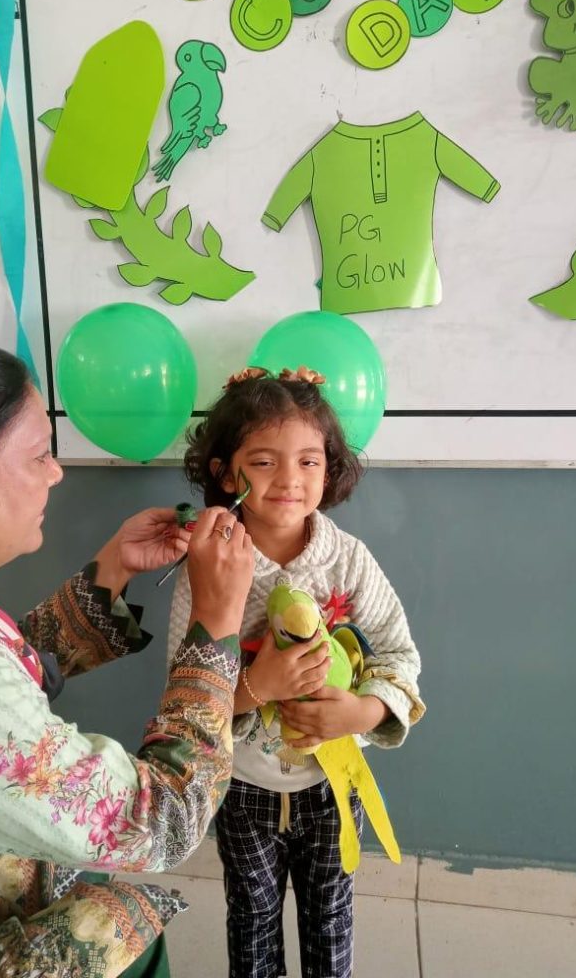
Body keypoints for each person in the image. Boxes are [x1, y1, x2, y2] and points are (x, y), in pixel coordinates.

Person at [0, 339, 254, 978]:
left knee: (58, 866)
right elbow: (160, 819)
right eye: (39, 455)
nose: (56, 473)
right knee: (117, 920)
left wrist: (111, 571)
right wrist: (216, 626)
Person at [167, 366, 426, 978]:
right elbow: (185, 695)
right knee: (251, 916)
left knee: (330, 916)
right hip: (242, 788)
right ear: (225, 472)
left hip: (332, 787)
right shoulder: (209, 565)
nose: (289, 479)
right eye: (263, 462)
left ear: (329, 470)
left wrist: (363, 710)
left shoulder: (349, 561)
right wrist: (259, 685)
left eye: (309, 461)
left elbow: (399, 654)